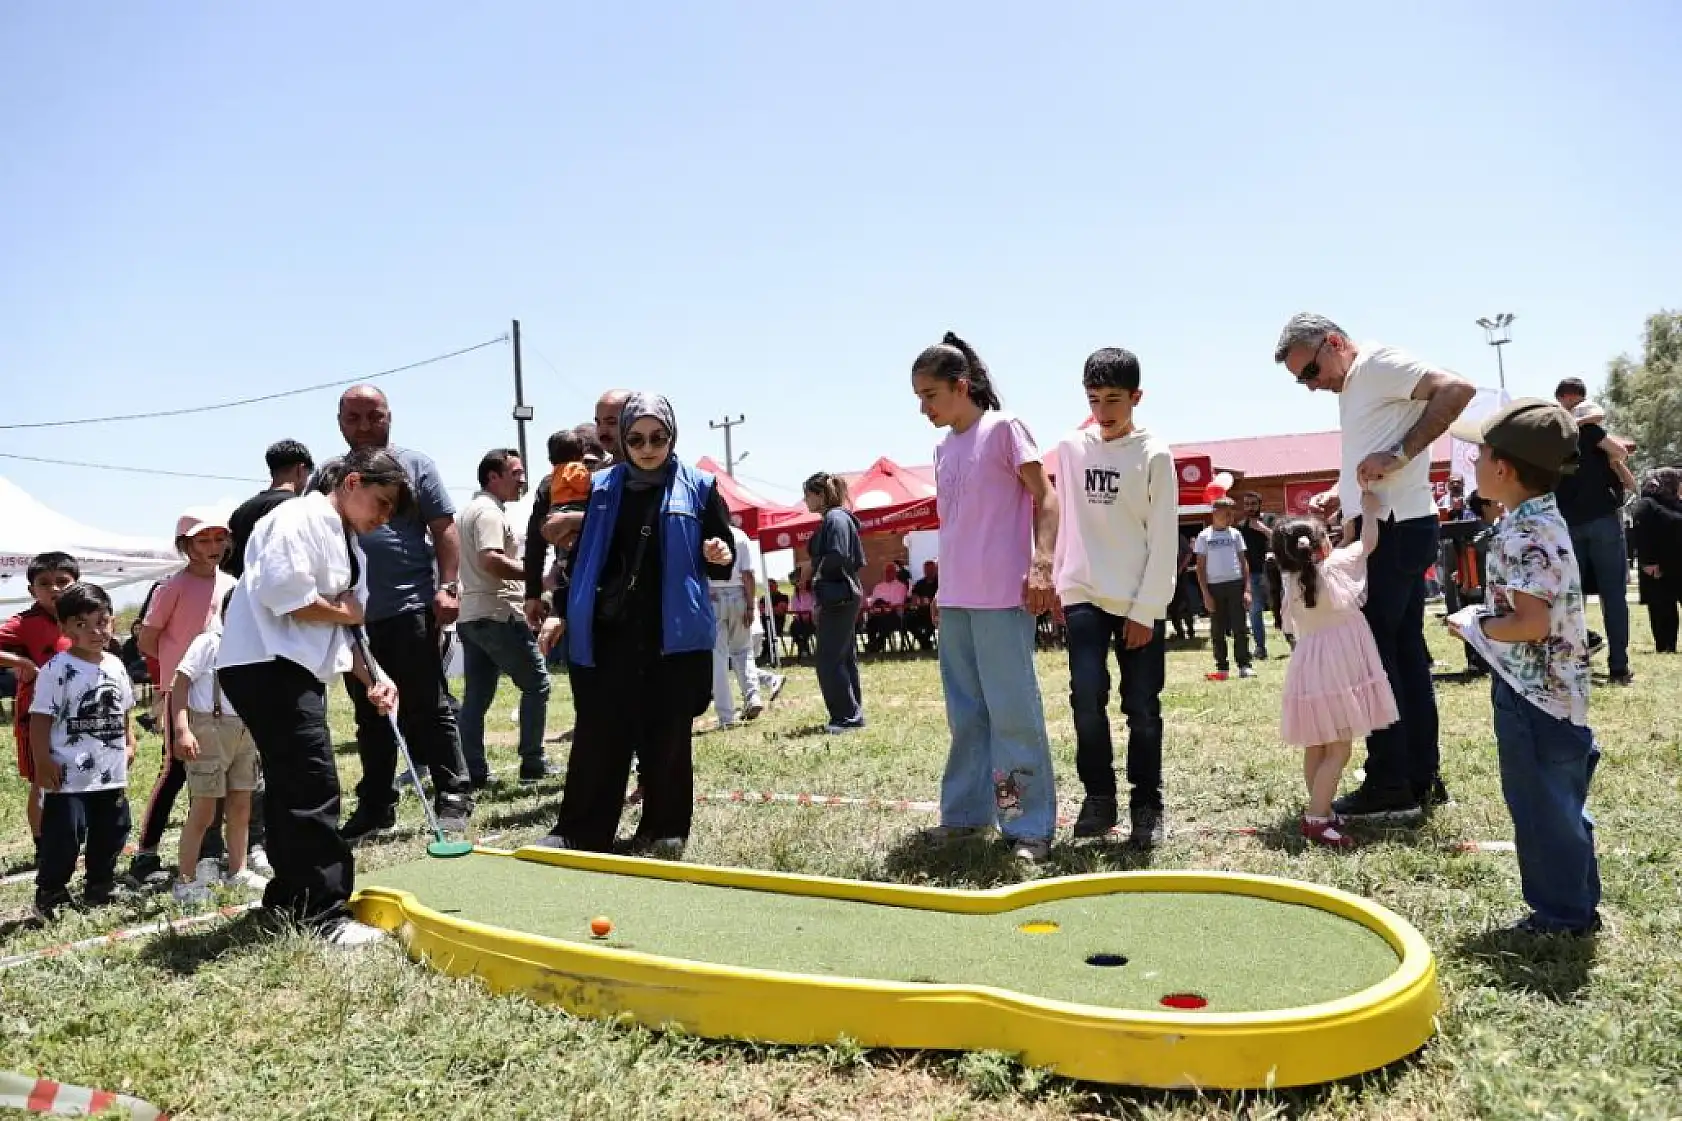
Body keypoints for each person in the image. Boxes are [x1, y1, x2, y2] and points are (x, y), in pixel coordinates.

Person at [1275, 313, 1476, 820]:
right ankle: (1418, 777)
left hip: (1396, 532)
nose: (1311, 386)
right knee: (1404, 660)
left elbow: (1456, 390)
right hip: (1396, 527)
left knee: (1377, 660)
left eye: (1310, 373)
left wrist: (1400, 453)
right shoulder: (1357, 383)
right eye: (1301, 380)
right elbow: (1375, 453)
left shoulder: (1379, 363)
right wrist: (1341, 495)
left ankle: (1392, 784)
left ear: (1335, 342)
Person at [216, 447, 404, 946]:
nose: (383, 518)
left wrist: (373, 677)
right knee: (311, 781)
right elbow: (289, 597)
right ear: (353, 482)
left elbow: (344, 625)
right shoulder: (296, 516)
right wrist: (347, 612)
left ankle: (290, 899)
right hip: (264, 665)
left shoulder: (348, 541)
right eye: (381, 503)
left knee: (293, 783)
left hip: (284, 667)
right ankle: (324, 915)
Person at [538, 394, 734, 856]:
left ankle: (664, 831)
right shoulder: (601, 487)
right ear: (623, 441)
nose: (648, 447)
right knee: (598, 733)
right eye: (636, 439)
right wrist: (559, 608)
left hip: (674, 633)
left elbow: (721, 550)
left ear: (672, 435)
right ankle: (581, 831)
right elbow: (577, 559)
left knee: (667, 734)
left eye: (658, 437)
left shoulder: (701, 486)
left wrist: (718, 553)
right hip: (609, 632)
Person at [1445, 400, 1602, 936]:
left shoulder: (1523, 534)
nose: (1472, 463)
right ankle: (1578, 904)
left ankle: (1560, 916)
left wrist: (1474, 626)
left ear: (1504, 468)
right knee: (1563, 805)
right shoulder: (1536, 520)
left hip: (1534, 697)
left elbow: (1531, 624)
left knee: (1541, 810)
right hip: (1560, 694)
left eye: (1479, 454)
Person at [912, 332, 1060, 864]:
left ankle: (1030, 828)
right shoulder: (941, 447)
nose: (923, 407)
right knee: (966, 716)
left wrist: (1042, 565)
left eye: (930, 394)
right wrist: (942, 588)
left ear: (961, 385)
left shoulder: (1004, 429)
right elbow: (954, 524)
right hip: (956, 603)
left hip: (1002, 599)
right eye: (918, 397)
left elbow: (1046, 497)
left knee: (1012, 714)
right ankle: (964, 818)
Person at [328, 385, 474, 841]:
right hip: (357, 617)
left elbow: (444, 528)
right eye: (354, 418)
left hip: (410, 606)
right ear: (340, 421)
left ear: (390, 416)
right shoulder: (331, 474)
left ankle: (454, 794)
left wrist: (448, 586)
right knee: (371, 714)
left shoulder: (416, 465)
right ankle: (376, 806)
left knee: (428, 705)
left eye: (374, 417)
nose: (365, 427)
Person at [1050, 347, 1179, 846]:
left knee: (1142, 707)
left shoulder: (1155, 454)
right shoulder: (1071, 446)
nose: (1103, 411)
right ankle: (1098, 800)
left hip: (1136, 599)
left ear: (1136, 397)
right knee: (1086, 698)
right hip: (1082, 592)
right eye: (1094, 399)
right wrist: (1062, 579)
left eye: (1114, 400)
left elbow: (1164, 537)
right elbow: (1067, 522)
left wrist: (1146, 609)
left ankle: (1147, 805)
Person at [1273, 491, 1398, 848]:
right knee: (1339, 751)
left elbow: (1343, 545)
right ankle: (1316, 819)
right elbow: (1366, 542)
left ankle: (1320, 808)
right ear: (1321, 547)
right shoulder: (1338, 566)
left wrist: (1344, 523)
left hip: (1309, 668)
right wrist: (1369, 512)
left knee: (1317, 746)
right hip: (1338, 669)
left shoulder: (1293, 578)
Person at [130, 512, 238, 885]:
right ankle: (146, 852)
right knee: (175, 770)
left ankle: (211, 851)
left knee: (219, 772)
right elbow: (147, 638)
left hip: (222, 697)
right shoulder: (172, 587)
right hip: (181, 694)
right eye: (202, 540)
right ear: (185, 546)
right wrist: (173, 674)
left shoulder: (232, 584)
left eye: (218, 539)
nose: (212, 547)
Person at [28, 582, 137, 920]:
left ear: (112, 622)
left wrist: (130, 741)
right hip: (69, 776)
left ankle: (100, 884)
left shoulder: (116, 666)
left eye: (101, 622)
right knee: (64, 837)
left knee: (114, 828)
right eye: (81, 624)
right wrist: (43, 759)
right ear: (64, 627)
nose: (94, 631)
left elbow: (124, 710)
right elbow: (40, 718)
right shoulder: (56, 670)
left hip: (109, 772)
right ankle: (51, 892)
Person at [456, 448, 556, 788]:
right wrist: (536, 579)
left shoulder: (469, 510)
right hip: (497, 615)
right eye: (515, 473)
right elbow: (491, 560)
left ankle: (473, 771)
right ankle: (533, 763)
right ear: (492, 477)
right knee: (537, 684)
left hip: (472, 616)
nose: (523, 479)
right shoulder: (487, 513)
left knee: (476, 700)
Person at [170, 591, 268, 902]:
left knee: (242, 805)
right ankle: (185, 881)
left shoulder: (260, 644)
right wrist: (182, 728)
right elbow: (181, 683)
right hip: (209, 728)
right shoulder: (208, 642)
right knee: (204, 810)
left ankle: (237, 870)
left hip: (246, 731)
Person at [1553, 377, 1636, 686]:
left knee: (1573, 598)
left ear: (1560, 398)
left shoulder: (1556, 438)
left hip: (1569, 523)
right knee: (1613, 596)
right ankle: (1618, 667)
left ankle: (1576, 663)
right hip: (1603, 520)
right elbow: (1619, 452)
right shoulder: (1591, 430)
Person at [0, 552, 77, 866]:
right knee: (42, 780)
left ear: (76, 583)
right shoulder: (25, 623)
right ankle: (41, 844)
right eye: (45, 583)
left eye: (62, 581)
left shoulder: (83, 618)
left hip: (78, 714)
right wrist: (21, 662)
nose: (54, 589)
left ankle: (71, 839)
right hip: (37, 715)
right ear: (32, 590)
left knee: (73, 775)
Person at [530, 392, 631, 627]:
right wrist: (536, 593)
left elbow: (636, 522)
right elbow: (538, 537)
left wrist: (574, 520)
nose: (603, 430)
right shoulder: (558, 483)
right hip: (585, 599)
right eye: (598, 422)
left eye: (611, 422)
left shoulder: (649, 472)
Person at [523, 423, 608, 629]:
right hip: (608, 579)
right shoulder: (611, 477)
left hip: (570, 580)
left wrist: (533, 594)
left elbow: (535, 543)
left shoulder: (551, 481)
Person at [804, 473, 866, 732]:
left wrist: (814, 570)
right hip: (842, 594)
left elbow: (838, 555)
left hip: (839, 595)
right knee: (843, 656)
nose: (804, 500)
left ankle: (845, 717)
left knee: (829, 659)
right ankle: (852, 712)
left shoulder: (835, 519)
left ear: (819, 495)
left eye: (807, 494)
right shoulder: (838, 518)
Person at [710, 524, 777, 728]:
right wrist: (750, 606)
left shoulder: (707, 536)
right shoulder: (741, 535)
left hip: (713, 596)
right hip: (739, 594)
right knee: (742, 651)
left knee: (718, 659)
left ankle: (726, 716)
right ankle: (753, 695)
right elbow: (748, 575)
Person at [223, 440, 315, 579]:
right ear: (301, 470)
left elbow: (228, 564)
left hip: (241, 596)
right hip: (279, 596)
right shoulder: (297, 508)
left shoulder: (241, 511)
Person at [1195, 498, 1253, 681]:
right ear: (1215, 513)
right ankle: (1222, 667)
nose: (1230, 517)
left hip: (1235, 584)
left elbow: (1243, 562)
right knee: (1217, 629)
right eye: (1226, 513)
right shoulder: (1204, 536)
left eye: (1231, 513)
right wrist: (1205, 594)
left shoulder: (1235, 534)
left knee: (1240, 627)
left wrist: (1247, 589)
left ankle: (1244, 665)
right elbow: (1200, 567)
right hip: (1214, 587)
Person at [1630, 468, 1682, 653]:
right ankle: (1665, 646)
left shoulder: (1675, 503)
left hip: (1677, 564)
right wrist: (1647, 561)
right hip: (1658, 566)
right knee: (1662, 608)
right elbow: (1641, 533)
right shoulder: (1647, 504)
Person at [1237, 493, 1275, 660]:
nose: (1250, 507)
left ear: (1260, 504)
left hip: (1273, 572)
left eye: (1253, 504)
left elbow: (1280, 539)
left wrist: (1262, 529)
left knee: (1282, 608)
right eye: (1247, 504)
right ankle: (1260, 648)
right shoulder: (1240, 526)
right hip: (1252, 574)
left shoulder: (1270, 519)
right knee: (1254, 612)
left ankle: (1293, 642)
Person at [865, 560, 909, 654]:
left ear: (895, 573)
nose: (888, 573)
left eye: (890, 571)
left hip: (894, 615)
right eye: (886, 572)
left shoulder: (901, 586)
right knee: (871, 622)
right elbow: (872, 601)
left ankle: (877, 643)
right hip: (879, 614)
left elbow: (899, 602)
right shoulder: (878, 587)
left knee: (887, 621)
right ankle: (873, 643)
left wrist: (886, 606)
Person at [907, 560, 939, 652]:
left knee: (932, 621)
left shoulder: (940, 582)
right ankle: (924, 641)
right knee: (908, 621)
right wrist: (917, 600)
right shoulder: (920, 583)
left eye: (931, 569)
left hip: (934, 612)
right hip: (921, 611)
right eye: (926, 570)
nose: (929, 572)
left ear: (935, 570)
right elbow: (914, 597)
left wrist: (930, 601)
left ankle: (925, 642)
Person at [788, 569, 817, 661]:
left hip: (813, 621)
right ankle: (803, 647)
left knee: (804, 627)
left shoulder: (813, 594)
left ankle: (803, 649)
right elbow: (793, 609)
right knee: (794, 627)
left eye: (802, 582)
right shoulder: (795, 596)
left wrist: (809, 615)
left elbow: (814, 607)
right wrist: (799, 616)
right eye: (798, 583)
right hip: (800, 620)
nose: (800, 584)